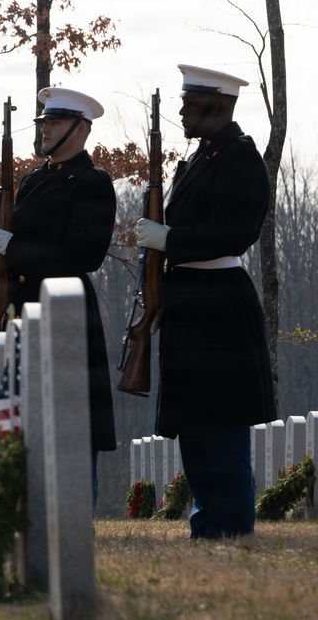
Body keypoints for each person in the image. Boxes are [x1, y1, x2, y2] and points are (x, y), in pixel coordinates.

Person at [136, 64, 275, 539]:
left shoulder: (239, 159)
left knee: (221, 422)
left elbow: (233, 232)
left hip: (220, 302)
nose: (181, 112)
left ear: (219, 106)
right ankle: (205, 524)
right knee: (193, 423)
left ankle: (231, 525)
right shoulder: (201, 159)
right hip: (189, 299)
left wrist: (169, 238)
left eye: (190, 105)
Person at [0, 87, 117, 504]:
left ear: (81, 129)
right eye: (43, 122)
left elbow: (86, 253)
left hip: (64, 309)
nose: (44, 129)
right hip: (22, 309)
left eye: (54, 123)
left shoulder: (93, 183)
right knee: (24, 416)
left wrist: (15, 248)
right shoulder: (31, 180)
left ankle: (75, 512)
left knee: (73, 420)